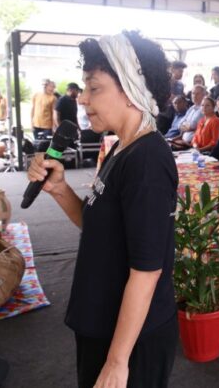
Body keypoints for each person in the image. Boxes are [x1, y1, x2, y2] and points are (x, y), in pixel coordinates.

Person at [27, 30, 177, 387]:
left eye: (95, 88)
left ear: (129, 89)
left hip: (130, 339)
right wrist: (60, 189)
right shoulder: (121, 149)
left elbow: (147, 270)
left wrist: (117, 361)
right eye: (85, 89)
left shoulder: (148, 160)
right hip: (102, 320)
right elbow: (102, 230)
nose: (83, 100)